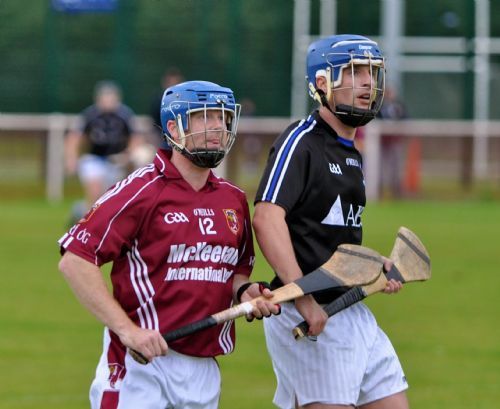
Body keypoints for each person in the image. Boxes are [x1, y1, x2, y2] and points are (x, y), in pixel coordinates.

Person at [58, 80, 279, 409]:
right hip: (140, 366)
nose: (217, 127)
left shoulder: (233, 200)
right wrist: (127, 330)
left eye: (223, 118)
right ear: (174, 128)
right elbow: (75, 260)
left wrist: (246, 292)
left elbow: (233, 275)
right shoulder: (141, 190)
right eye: (204, 117)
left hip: (204, 371)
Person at [252, 35, 409, 409]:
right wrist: (303, 298)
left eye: (371, 73)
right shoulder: (301, 142)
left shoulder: (351, 151)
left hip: (351, 309)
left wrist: (372, 265)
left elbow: (329, 234)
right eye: (354, 72)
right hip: (310, 313)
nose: (367, 83)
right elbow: (266, 218)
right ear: (322, 83)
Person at [65, 80, 144, 224]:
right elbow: (74, 137)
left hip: (116, 161)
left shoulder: (125, 114)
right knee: (95, 193)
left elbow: (136, 137)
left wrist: (128, 155)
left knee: (112, 198)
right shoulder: (89, 114)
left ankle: (80, 210)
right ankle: (89, 227)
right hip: (94, 159)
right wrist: (72, 158)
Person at [377, 86, 408, 198]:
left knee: (396, 166)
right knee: (379, 166)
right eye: (387, 93)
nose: (389, 95)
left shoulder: (399, 106)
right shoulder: (379, 106)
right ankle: (379, 189)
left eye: (391, 92)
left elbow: (406, 119)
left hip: (395, 141)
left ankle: (396, 191)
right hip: (382, 142)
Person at [149, 67, 185, 147]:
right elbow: (154, 123)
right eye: (171, 83)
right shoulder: (158, 101)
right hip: (163, 137)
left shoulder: (186, 101)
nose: (173, 86)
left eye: (176, 83)